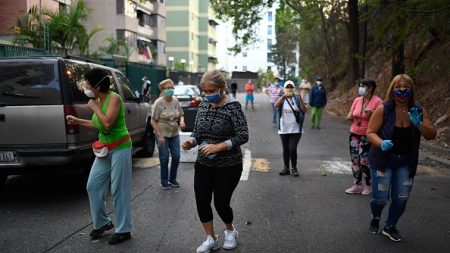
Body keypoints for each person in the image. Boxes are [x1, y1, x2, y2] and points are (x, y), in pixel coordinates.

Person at [181, 70, 248, 253]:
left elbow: (243, 135)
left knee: (221, 203)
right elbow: (197, 132)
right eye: (205, 91)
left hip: (228, 165)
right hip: (204, 164)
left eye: (211, 91)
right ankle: (211, 238)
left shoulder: (233, 107)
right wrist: (191, 142)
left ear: (221, 88)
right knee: (202, 200)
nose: (208, 94)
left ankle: (230, 231)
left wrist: (219, 147)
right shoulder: (203, 105)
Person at [66, 68, 133, 245]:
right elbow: (98, 124)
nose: (85, 86)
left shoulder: (114, 98)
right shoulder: (97, 99)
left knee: (119, 189)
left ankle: (124, 230)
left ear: (96, 85)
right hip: (104, 148)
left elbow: (108, 124)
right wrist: (78, 120)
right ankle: (103, 223)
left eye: (87, 83)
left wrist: (94, 107)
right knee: (93, 186)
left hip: (120, 147)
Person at [367, 74, 436, 241]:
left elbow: (432, 134)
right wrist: (381, 143)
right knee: (380, 198)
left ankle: (390, 226)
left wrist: (418, 124)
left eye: (406, 87)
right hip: (383, 160)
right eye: (398, 87)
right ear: (392, 89)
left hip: (405, 162)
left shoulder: (418, 110)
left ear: (412, 90)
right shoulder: (384, 108)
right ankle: (375, 217)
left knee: (401, 198)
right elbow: (370, 132)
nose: (402, 90)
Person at [344, 79, 383, 195]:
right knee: (355, 160)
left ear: (370, 88)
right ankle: (357, 185)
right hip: (354, 133)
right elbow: (350, 115)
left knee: (364, 160)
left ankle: (369, 185)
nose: (360, 88)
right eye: (360, 86)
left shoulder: (378, 101)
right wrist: (349, 116)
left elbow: (382, 119)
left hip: (368, 134)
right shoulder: (357, 100)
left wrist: (373, 114)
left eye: (363, 86)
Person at [151, 79, 185, 190]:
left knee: (176, 156)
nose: (171, 90)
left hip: (174, 133)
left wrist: (181, 121)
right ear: (162, 90)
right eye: (168, 88)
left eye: (172, 87)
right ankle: (164, 181)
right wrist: (159, 135)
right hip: (162, 134)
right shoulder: (158, 103)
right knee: (164, 158)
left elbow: (181, 114)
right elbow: (153, 120)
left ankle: (172, 179)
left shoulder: (175, 101)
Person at [274, 80, 307, 177]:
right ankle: (286, 168)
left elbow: (304, 110)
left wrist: (300, 99)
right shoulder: (282, 98)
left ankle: (294, 168)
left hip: (296, 128)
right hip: (284, 128)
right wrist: (283, 97)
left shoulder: (297, 98)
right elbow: (276, 106)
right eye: (287, 87)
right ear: (284, 88)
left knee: (292, 148)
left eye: (290, 87)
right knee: (285, 149)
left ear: (293, 88)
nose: (289, 89)